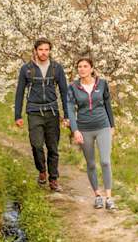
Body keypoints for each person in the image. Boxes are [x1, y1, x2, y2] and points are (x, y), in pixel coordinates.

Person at [14, 39, 72, 192]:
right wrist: (17, 115)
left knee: (53, 147)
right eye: (41, 49)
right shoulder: (26, 69)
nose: (44, 53)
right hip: (34, 112)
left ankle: (53, 179)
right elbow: (19, 92)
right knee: (36, 145)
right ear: (35, 50)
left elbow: (64, 92)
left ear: (50, 51)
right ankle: (42, 171)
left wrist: (67, 115)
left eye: (47, 50)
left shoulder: (56, 68)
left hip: (52, 112)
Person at [67, 57, 116, 210]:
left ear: (91, 68)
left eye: (85, 66)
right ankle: (97, 196)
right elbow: (70, 109)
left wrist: (112, 126)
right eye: (79, 67)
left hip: (103, 126)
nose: (82, 69)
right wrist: (75, 130)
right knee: (91, 164)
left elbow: (108, 104)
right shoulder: (73, 87)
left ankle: (109, 197)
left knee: (105, 161)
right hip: (84, 129)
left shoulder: (101, 84)